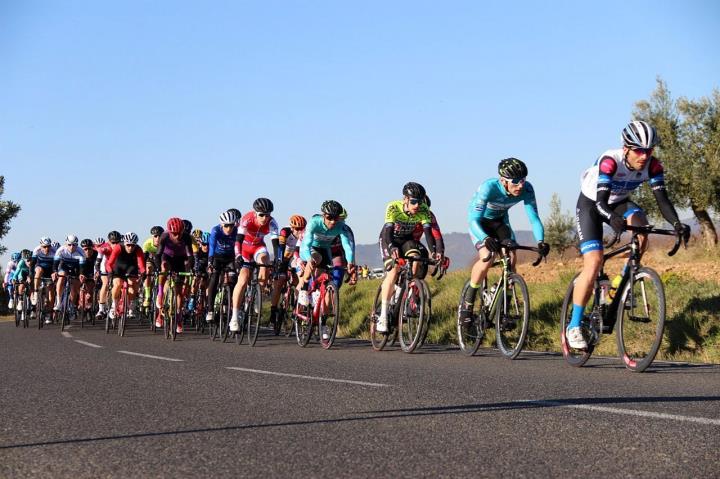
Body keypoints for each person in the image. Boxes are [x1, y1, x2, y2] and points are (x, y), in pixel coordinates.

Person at [566, 121, 690, 349]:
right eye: (639, 150)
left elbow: (662, 200)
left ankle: (622, 281)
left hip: (620, 202)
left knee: (642, 230)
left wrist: (677, 223)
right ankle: (573, 325)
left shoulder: (653, 166)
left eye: (649, 150)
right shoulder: (609, 161)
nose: (644, 156)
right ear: (626, 148)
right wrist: (612, 219)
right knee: (593, 263)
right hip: (592, 204)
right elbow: (601, 202)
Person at [460, 159, 549, 321]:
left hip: (500, 222)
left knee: (511, 259)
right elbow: (473, 219)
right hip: (480, 223)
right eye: (515, 181)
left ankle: (504, 310)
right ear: (503, 181)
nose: (520, 185)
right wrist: (485, 238)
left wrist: (541, 242)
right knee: (487, 257)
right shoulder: (489, 188)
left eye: (523, 180)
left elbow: (534, 219)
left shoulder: (527, 189)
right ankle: (468, 304)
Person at [376, 182, 439, 333]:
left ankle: (402, 294)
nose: (417, 205)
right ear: (405, 199)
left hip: (407, 241)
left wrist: (435, 252)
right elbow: (387, 231)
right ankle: (383, 316)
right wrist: (391, 247)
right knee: (393, 270)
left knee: (416, 257)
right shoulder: (393, 207)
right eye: (413, 201)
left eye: (420, 201)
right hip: (390, 239)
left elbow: (430, 235)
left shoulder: (424, 210)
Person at [297, 200, 356, 340]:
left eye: (336, 218)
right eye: (329, 218)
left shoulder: (341, 226)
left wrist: (351, 262)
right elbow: (305, 245)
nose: (333, 221)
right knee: (315, 260)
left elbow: (347, 246)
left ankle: (322, 322)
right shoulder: (314, 222)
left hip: (326, 249)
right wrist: (308, 258)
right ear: (323, 215)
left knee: (326, 277)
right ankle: (304, 290)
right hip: (312, 248)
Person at [230, 198, 279, 332]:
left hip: (258, 247)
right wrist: (238, 256)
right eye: (261, 215)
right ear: (255, 213)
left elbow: (276, 245)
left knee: (265, 261)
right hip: (245, 248)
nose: (264, 218)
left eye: (267, 214)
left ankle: (258, 294)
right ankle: (234, 317)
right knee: (243, 279)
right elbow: (238, 241)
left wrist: (278, 260)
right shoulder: (247, 219)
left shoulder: (272, 223)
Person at [155, 217, 193, 332]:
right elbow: (158, 255)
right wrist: (158, 269)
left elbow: (190, 256)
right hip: (166, 257)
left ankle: (178, 317)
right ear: (170, 232)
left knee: (178, 290)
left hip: (180, 259)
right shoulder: (164, 236)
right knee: (164, 267)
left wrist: (190, 270)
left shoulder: (186, 237)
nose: (177, 236)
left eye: (179, 233)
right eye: (174, 234)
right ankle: (160, 293)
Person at [269, 214, 306, 325]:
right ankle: (273, 310)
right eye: (298, 229)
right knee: (279, 282)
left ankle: (298, 304)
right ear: (292, 228)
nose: (300, 231)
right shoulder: (285, 232)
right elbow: (280, 247)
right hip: (283, 258)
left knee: (300, 280)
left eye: (302, 228)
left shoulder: (304, 235)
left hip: (295, 259)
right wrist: (280, 261)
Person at [205, 209, 239, 323]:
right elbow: (212, 247)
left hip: (230, 258)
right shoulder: (215, 231)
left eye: (231, 225)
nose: (229, 228)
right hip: (217, 257)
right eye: (226, 226)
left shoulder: (237, 231)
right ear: (221, 224)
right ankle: (210, 310)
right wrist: (210, 262)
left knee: (234, 280)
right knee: (214, 279)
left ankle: (229, 305)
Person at [106, 232, 146, 319]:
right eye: (128, 245)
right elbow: (109, 263)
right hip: (118, 267)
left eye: (133, 245)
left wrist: (143, 272)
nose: (130, 247)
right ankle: (114, 305)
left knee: (133, 285)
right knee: (117, 284)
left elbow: (141, 265)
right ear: (124, 243)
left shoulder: (138, 249)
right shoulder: (118, 247)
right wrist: (110, 272)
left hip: (131, 267)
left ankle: (130, 306)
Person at [52, 235, 86, 316]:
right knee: (61, 277)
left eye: (74, 245)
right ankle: (59, 302)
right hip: (64, 266)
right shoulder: (61, 250)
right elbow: (55, 264)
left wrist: (81, 274)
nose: (71, 247)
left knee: (75, 286)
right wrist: (55, 272)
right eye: (69, 245)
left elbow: (82, 268)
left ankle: (71, 305)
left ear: (77, 245)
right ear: (66, 244)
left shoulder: (81, 252)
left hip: (76, 267)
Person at [141, 225, 164, 309]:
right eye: (155, 236)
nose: (157, 238)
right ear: (152, 236)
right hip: (150, 260)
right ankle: (147, 295)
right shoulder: (147, 243)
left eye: (160, 236)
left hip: (160, 261)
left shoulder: (164, 243)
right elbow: (143, 259)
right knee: (148, 269)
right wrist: (142, 271)